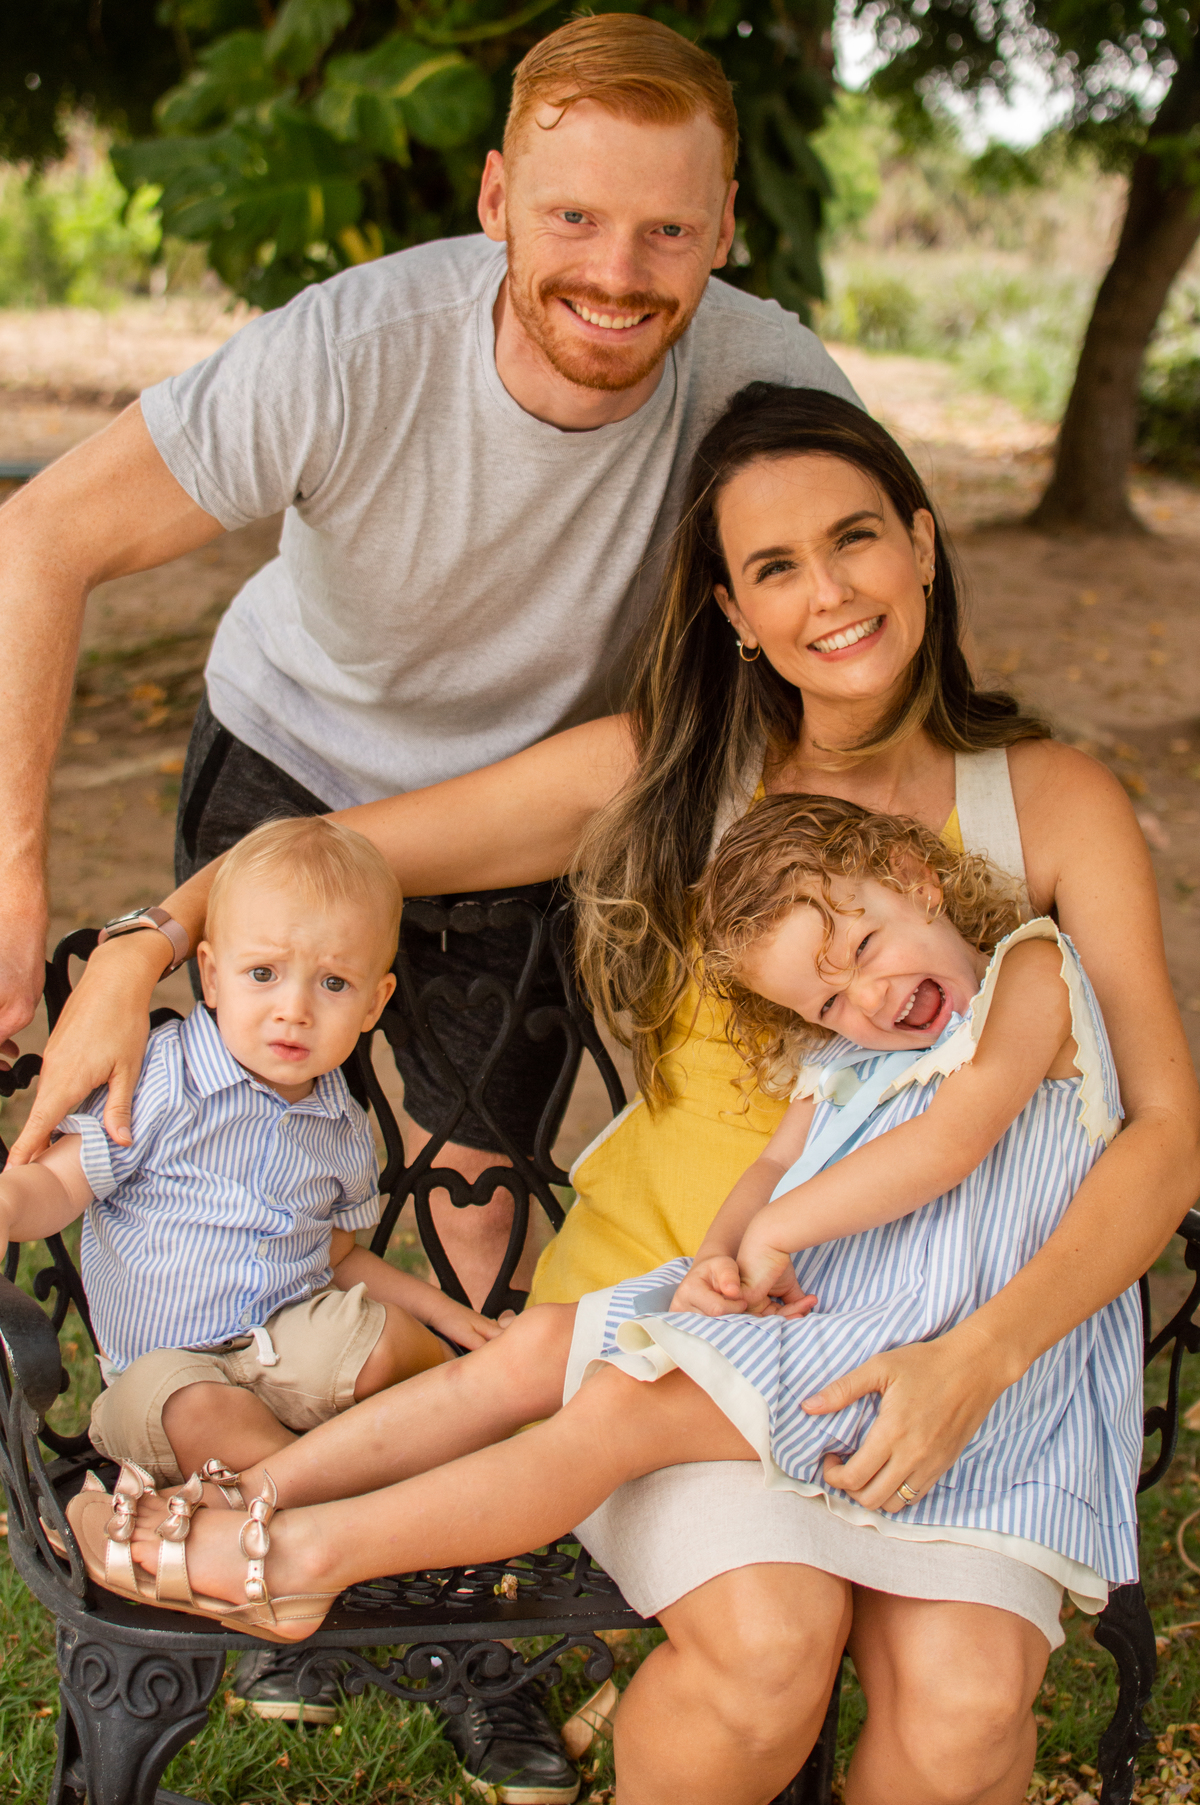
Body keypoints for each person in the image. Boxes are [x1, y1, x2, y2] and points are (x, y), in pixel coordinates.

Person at [20, 384, 1200, 1804]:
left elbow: (1163, 1129)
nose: (828, 592)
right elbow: (339, 851)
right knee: (770, 1648)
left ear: (925, 545)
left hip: (967, 1340)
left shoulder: (1049, 802)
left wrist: (983, 1357)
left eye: (856, 538)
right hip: (692, 1314)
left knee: (963, 1714)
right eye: (774, 568)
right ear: (729, 608)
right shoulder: (666, 773)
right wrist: (146, 943)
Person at [0, 16, 856, 1764]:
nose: (617, 274)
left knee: (481, 1174)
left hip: (546, 801)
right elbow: (44, 535)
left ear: (724, 225)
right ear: (496, 202)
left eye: (667, 233)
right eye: (572, 221)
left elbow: (826, 644)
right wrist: (24, 880)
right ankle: (214, 1476)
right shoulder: (354, 347)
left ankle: (470, 1620)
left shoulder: (772, 384)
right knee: (242, 1115)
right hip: (299, 765)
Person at [67, 792, 1142, 1805]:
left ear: (922, 876)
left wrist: (778, 1234)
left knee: (618, 1414)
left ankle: (299, 1558)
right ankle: (253, 1503)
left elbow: (956, 1141)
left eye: (861, 949)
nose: (866, 999)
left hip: (919, 1346)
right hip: (835, 1314)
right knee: (537, 1350)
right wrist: (727, 1249)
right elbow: (770, 1171)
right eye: (825, 999)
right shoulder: (849, 1056)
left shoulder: (1030, 971)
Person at [1, 817, 502, 1491]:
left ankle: (395, 1444)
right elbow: (59, 1188)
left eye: (332, 984)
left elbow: (338, 1258)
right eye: (263, 973)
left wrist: (441, 1314)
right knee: (196, 1408)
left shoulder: (341, 1123)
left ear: (373, 1002)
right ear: (211, 975)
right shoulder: (159, 1081)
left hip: (284, 1350)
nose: (293, 1009)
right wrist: (6, 1203)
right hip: (166, 1373)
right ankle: (321, 1489)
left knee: (386, 1339)